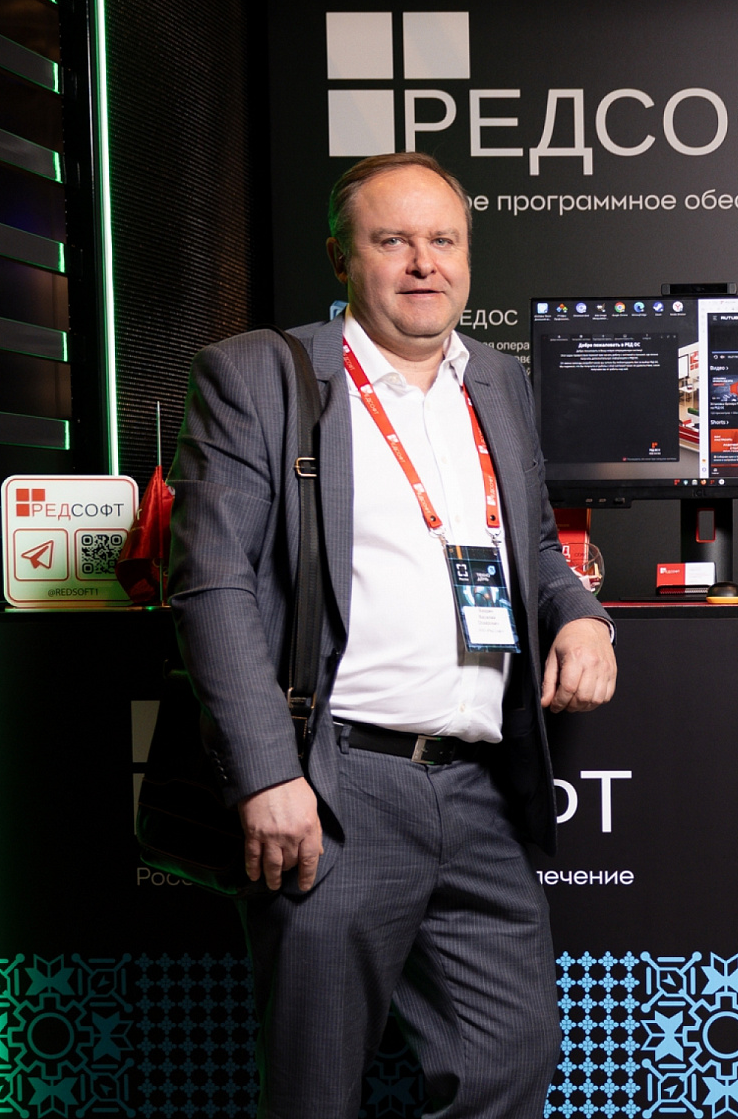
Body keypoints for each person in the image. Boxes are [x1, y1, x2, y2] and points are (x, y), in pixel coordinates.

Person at [169, 150, 617, 1116]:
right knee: (316, 1088)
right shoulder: (263, 375)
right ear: (343, 259)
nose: (424, 263)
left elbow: (534, 547)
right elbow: (210, 584)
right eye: (393, 241)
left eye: (444, 240)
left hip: (482, 789)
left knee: (511, 1063)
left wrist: (582, 614)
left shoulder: (496, 380)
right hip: (338, 788)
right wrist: (267, 774)